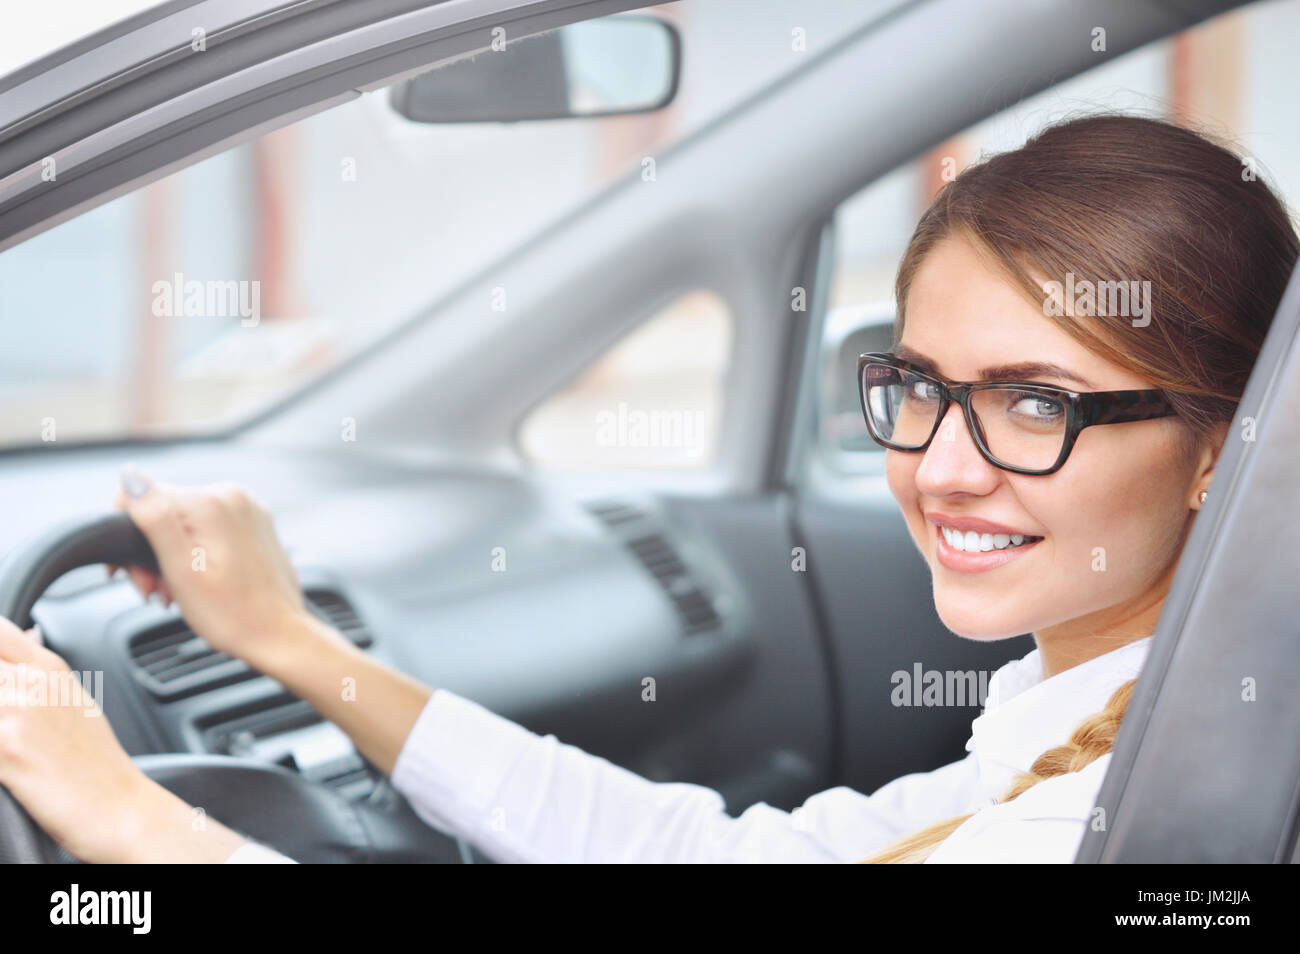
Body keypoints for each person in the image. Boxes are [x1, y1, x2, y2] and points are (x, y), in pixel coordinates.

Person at [0, 114, 1294, 863]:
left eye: (1036, 404)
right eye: (921, 386)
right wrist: (293, 644)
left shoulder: (1112, 813)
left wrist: (130, 819)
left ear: (1220, 449)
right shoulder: (1092, 717)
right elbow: (711, 857)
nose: (940, 465)